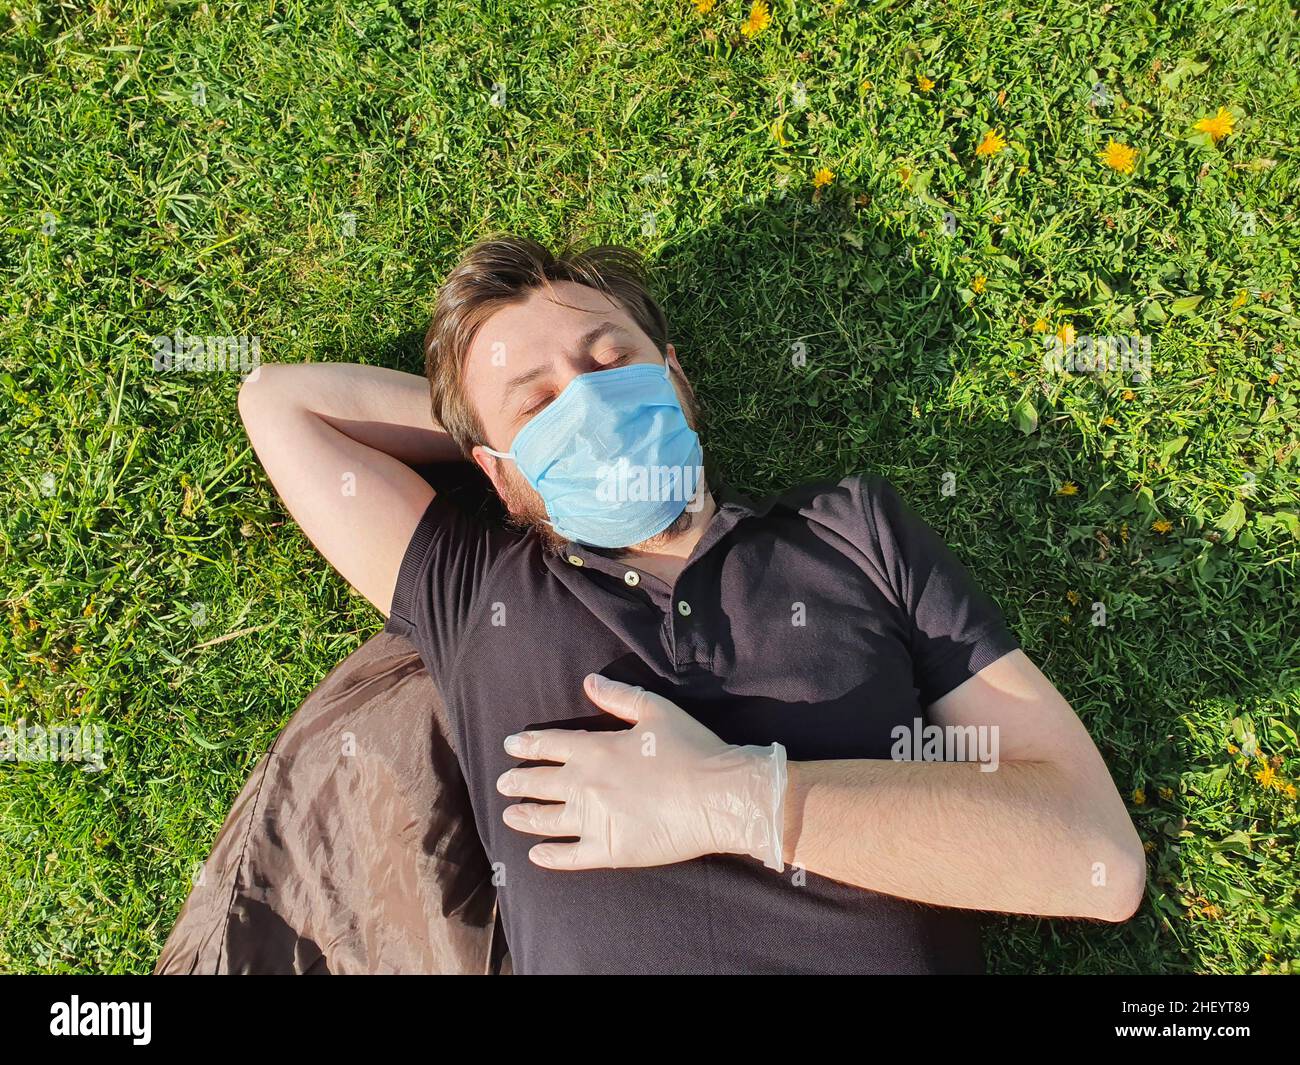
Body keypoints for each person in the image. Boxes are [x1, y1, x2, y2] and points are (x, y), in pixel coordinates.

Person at [236, 234, 1145, 974]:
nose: (591, 399)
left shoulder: (854, 535)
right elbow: (278, 404)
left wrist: (738, 798)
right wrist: (515, 451)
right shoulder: (477, 588)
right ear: (497, 479)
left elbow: (1093, 856)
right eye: (542, 401)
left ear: (676, 379)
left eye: (611, 360)